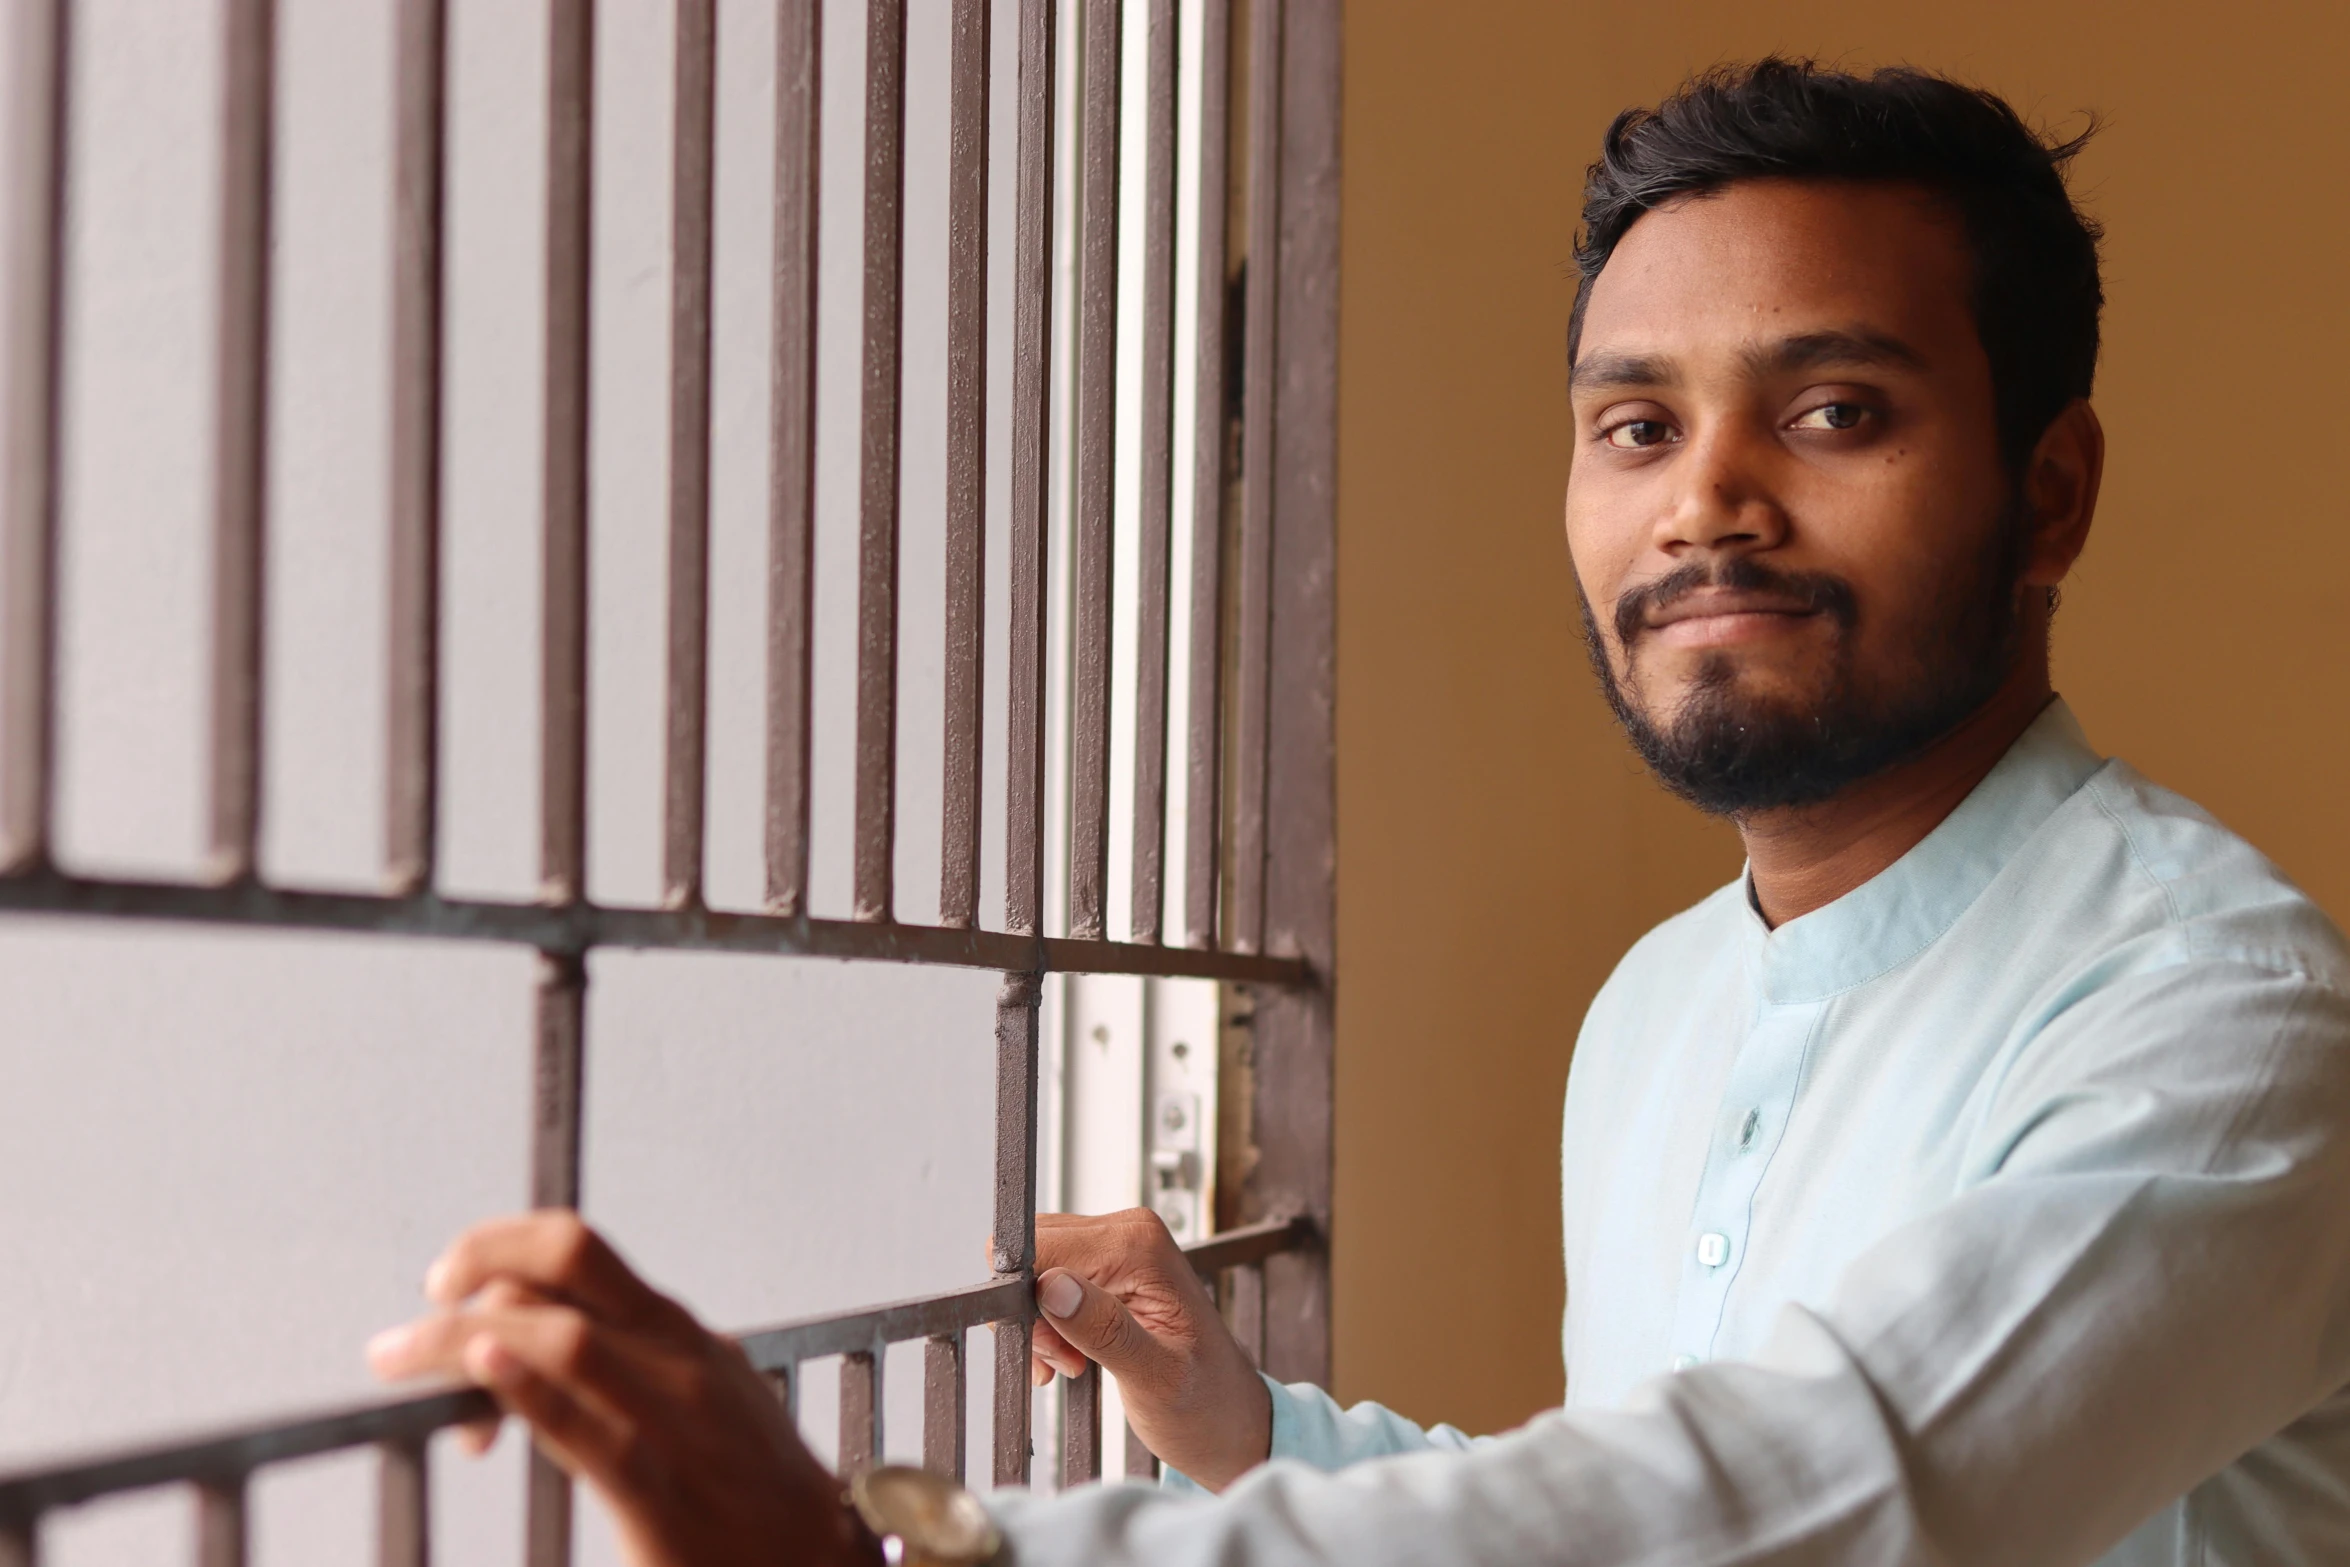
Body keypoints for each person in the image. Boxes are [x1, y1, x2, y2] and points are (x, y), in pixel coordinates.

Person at [365, 58, 2350, 1565]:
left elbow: (1811, 1494)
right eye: (1632, 425)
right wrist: (1250, 1431)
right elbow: (1617, 1497)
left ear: (2050, 491)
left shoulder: (2220, 1025)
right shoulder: (1663, 1007)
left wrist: (920, 1546)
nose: (1702, 500)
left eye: (1831, 412)